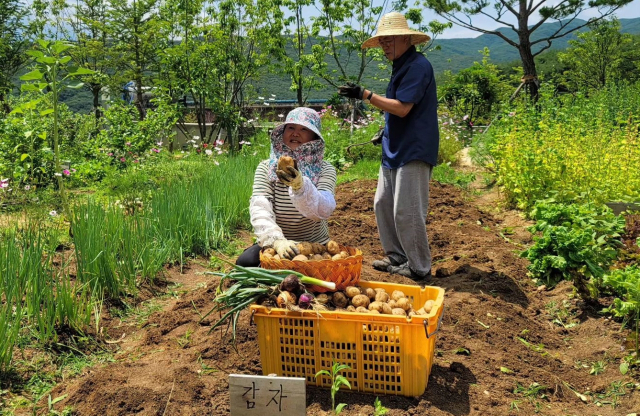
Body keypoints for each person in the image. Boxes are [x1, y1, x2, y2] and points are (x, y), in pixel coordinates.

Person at [338, 12, 439, 282]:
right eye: (381, 41)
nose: (384, 45)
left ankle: (419, 266)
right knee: (383, 203)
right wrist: (384, 131)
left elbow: (404, 109)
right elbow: (398, 111)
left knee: (407, 210)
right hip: (394, 146)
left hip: (413, 149)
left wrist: (365, 95)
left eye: (389, 39)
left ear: (406, 38)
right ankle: (397, 256)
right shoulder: (401, 66)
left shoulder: (418, 66)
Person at [236, 107, 337, 267]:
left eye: (304, 129)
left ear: (314, 136)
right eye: (291, 127)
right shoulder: (266, 167)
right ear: (282, 133)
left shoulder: (325, 169)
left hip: (314, 246)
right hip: (279, 245)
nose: (295, 133)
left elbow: (323, 210)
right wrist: (277, 241)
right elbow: (260, 208)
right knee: (245, 263)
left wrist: (300, 186)